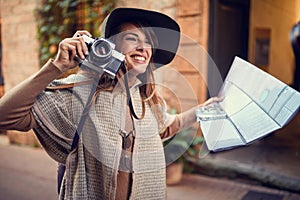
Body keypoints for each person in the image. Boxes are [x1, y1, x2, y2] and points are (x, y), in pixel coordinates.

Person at [0, 8, 222, 199]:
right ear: (111, 46)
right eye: (132, 38)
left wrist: (201, 110)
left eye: (149, 42)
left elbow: (165, 127)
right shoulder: (80, 93)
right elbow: (5, 115)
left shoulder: (147, 100)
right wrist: (56, 66)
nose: (143, 47)